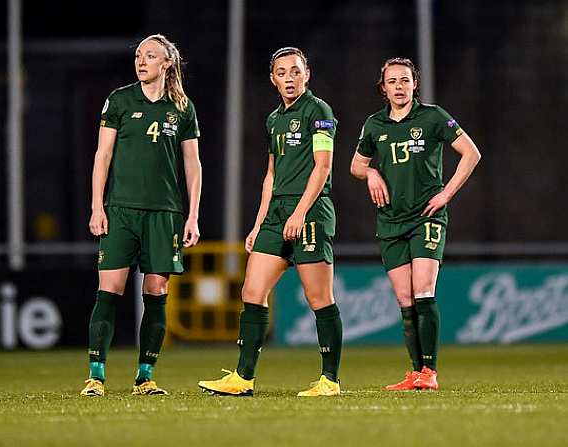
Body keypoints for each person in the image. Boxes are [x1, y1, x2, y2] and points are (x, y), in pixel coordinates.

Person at [198, 47, 342, 397]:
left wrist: (300, 213)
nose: (289, 78)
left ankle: (329, 381)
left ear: (307, 74)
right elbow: (271, 174)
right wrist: (259, 222)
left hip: (310, 211)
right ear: (273, 79)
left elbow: (322, 168)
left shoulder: (318, 110)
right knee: (251, 291)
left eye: (295, 71)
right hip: (276, 213)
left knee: (318, 296)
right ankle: (242, 378)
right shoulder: (273, 119)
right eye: (282, 72)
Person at [81, 34, 202, 396]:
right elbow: (102, 156)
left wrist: (193, 215)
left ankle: (145, 376)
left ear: (167, 64)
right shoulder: (119, 100)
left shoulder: (182, 108)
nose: (141, 60)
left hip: (164, 213)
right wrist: (97, 205)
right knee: (110, 288)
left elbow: (192, 164)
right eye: (138, 55)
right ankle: (96, 376)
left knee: (156, 289)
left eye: (150, 56)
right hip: (120, 210)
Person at [350, 57, 481, 390]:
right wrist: (371, 172)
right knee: (404, 301)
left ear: (414, 84)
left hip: (426, 216)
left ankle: (430, 372)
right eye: (392, 81)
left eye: (405, 80)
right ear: (383, 87)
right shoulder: (374, 125)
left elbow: (471, 153)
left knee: (423, 291)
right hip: (390, 220)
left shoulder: (433, 116)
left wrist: (446, 194)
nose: (399, 86)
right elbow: (354, 165)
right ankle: (416, 372)